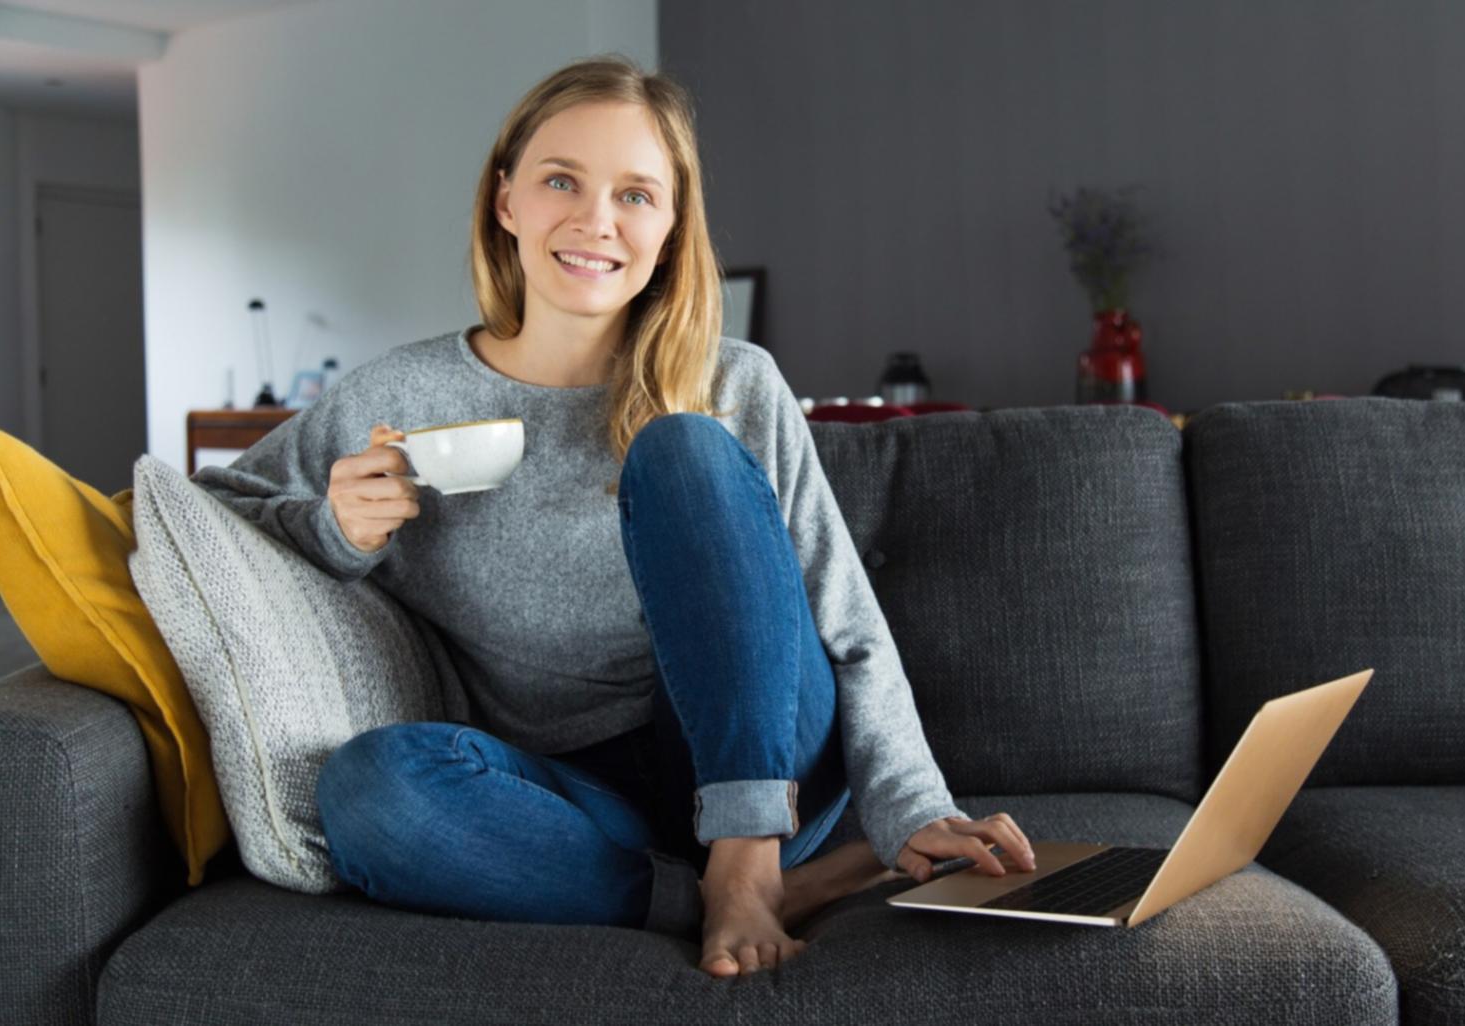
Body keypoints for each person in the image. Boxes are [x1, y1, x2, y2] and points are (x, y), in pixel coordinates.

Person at [191, 52, 1034, 978]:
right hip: (579, 795)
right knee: (367, 790)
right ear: (506, 200)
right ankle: (720, 893)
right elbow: (213, 512)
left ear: (671, 230)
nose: (596, 222)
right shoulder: (399, 393)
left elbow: (845, 618)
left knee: (681, 447)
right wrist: (335, 528)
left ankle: (749, 863)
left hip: (775, 762)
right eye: (561, 181)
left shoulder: (733, 382)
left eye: (636, 195)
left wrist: (914, 809)